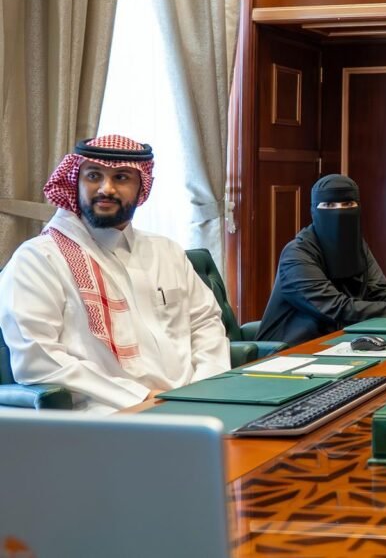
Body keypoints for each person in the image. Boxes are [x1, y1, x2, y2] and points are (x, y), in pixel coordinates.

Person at [0, 135, 230, 414]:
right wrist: (144, 397)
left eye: (121, 178)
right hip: (106, 414)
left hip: (194, 405)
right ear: (76, 181)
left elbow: (205, 323)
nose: (105, 189)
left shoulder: (166, 251)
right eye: (93, 176)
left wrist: (204, 391)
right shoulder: (39, 259)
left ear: (141, 187)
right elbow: (38, 359)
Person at [257, 174, 386, 345]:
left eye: (348, 204)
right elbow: (336, 308)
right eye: (329, 206)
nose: (339, 212)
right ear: (314, 210)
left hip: (340, 344)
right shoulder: (296, 254)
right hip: (287, 352)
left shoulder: (356, 246)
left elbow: (380, 292)